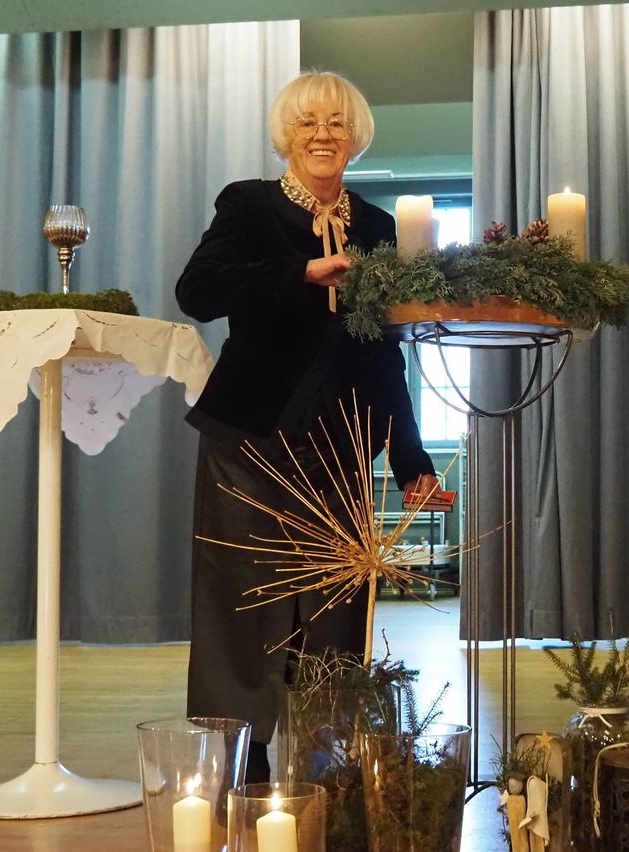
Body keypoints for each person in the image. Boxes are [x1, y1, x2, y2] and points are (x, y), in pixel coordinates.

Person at [176, 70, 439, 783]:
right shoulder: (248, 206)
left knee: (333, 604)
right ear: (286, 135)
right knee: (245, 600)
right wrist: (301, 272)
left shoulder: (380, 229)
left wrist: (409, 454)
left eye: (337, 123)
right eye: (308, 123)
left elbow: (386, 349)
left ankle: (325, 759)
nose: (323, 135)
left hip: (339, 444)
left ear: (356, 137)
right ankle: (246, 760)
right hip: (251, 440)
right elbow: (196, 292)